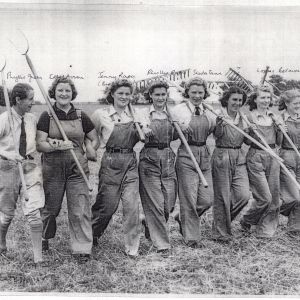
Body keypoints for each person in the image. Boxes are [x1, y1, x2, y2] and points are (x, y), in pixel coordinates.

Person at [36, 76, 99, 263]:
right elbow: (40, 144)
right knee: (50, 209)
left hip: (77, 168)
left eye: (67, 91)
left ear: (73, 94)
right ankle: (44, 237)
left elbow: (94, 139)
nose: (64, 94)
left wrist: (90, 148)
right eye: (60, 90)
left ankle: (82, 248)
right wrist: (55, 145)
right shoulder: (46, 116)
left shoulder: (81, 115)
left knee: (80, 208)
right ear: (53, 93)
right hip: (53, 168)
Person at [91, 79, 141, 258]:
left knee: (132, 206)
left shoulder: (136, 114)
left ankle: (132, 247)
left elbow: (144, 134)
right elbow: (90, 136)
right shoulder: (101, 114)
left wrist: (146, 131)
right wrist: (89, 151)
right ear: (112, 94)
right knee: (107, 206)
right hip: (110, 161)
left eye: (128, 94)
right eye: (120, 93)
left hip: (130, 160)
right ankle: (92, 233)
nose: (124, 97)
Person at [0, 83, 45, 265]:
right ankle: (1, 243)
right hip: (7, 167)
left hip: (30, 166)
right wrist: (10, 154)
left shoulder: (32, 119)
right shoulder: (3, 119)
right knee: (6, 214)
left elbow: (39, 142)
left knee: (34, 213)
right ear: (18, 99)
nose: (32, 102)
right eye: (30, 99)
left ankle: (38, 258)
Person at [172, 77, 215, 248]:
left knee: (206, 200)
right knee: (188, 198)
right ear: (187, 92)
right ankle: (192, 238)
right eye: (194, 92)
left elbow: (214, 130)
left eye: (200, 92)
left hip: (204, 153)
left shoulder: (209, 110)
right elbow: (171, 134)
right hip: (186, 154)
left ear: (205, 93)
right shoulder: (178, 110)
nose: (197, 96)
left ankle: (182, 218)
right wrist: (179, 128)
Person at [139, 79, 178, 255]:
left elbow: (178, 133)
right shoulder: (144, 113)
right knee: (155, 202)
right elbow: (140, 128)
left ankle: (149, 223)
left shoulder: (173, 114)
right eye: (157, 94)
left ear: (167, 96)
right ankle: (162, 244)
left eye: (163, 94)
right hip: (150, 157)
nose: (160, 97)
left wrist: (183, 127)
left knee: (168, 203)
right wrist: (144, 129)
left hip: (168, 157)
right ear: (151, 96)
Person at [240, 85, 281, 238]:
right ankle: (247, 219)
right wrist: (249, 131)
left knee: (274, 197)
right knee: (264, 197)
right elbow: (246, 141)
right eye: (262, 97)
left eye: (268, 98)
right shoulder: (248, 117)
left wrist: (279, 128)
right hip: (256, 156)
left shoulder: (273, 117)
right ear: (255, 99)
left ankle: (265, 229)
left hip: (273, 156)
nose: (265, 100)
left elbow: (279, 141)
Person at [211, 86, 250, 242]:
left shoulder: (244, 117)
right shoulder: (219, 115)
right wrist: (220, 124)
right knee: (222, 197)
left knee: (243, 195)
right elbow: (217, 136)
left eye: (240, 100)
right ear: (227, 100)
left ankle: (220, 223)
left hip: (239, 156)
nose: (237, 103)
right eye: (234, 99)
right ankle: (221, 234)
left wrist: (252, 131)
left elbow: (247, 141)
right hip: (222, 155)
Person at [277, 89, 300, 234]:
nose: (299, 106)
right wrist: (280, 130)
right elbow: (278, 142)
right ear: (286, 103)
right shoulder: (280, 119)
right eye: (296, 103)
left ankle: (294, 229)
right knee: (294, 197)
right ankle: (268, 210)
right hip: (287, 156)